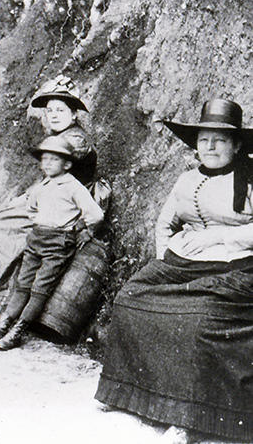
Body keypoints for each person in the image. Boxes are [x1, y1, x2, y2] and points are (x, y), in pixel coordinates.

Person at [95, 98, 253, 443]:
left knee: (200, 321)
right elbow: (165, 223)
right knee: (130, 298)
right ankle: (129, 394)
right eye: (203, 139)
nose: (209, 147)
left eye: (220, 140)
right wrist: (163, 261)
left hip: (239, 267)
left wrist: (220, 235)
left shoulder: (252, 178)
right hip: (181, 265)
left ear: (237, 144)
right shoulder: (185, 180)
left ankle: (191, 415)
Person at [0, 76, 111, 339]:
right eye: (49, 110)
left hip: (72, 202)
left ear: (74, 114)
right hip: (54, 194)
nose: (53, 115)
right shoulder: (62, 135)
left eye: (60, 110)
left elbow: (64, 173)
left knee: (0, 226)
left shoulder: (75, 140)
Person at [0, 135, 104, 350]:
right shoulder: (42, 185)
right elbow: (32, 207)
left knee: (40, 287)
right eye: (44, 159)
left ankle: (18, 330)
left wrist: (85, 230)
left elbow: (96, 214)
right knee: (23, 283)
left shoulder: (73, 187)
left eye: (54, 160)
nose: (47, 164)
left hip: (58, 242)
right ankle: (3, 324)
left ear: (67, 164)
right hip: (37, 238)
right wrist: (39, 222)